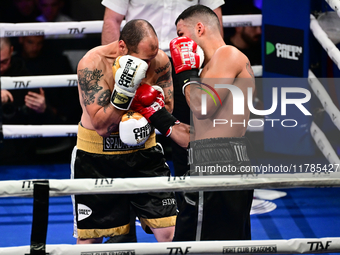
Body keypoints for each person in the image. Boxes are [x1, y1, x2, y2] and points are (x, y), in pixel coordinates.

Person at [100, 1, 225, 242]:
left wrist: (208, 70)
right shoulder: (98, 60)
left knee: (186, 144)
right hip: (136, 61)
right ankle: (122, 229)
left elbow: (213, 19)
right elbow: (112, 19)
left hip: (186, 67)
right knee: (126, 135)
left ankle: (186, 215)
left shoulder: (225, 58)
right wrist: (117, 68)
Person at [130, 5, 255, 241]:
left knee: (189, 246)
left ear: (199, 28)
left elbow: (203, 107)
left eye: (180, 34)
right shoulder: (208, 69)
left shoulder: (227, 55)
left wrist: (185, 72)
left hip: (218, 169)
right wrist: (153, 111)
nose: (178, 42)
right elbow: (198, 138)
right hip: (217, 161)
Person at [72, 19, 176, 244]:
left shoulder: (159, 61)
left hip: (145, 154)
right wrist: (125, 92)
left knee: (168, 233)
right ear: (122, 47)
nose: (148, 65)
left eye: (152, 57)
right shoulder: (92, 63)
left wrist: (145, 105)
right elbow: (101, 126)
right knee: (91, 240)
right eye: (143, 60)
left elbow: (168, 107)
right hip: (98, 158)